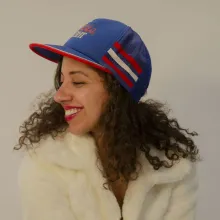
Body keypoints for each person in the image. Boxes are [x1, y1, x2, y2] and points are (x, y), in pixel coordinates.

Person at [15, 18, 199, 220]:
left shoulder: (172, 168)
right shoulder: (45, 164)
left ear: (117, 93)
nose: (59, 95)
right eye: (61, 81)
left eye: (77, 82)